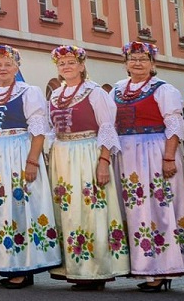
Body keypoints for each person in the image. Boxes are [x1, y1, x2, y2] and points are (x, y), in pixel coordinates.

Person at [0, 45, 60, 288]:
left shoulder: (29, 92)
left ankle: (23, 266)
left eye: (8, 64)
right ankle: (4, 263)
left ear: (17, 67)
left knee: (21, 207)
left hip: (20, 150)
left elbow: (38, 129)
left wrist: (32, 161)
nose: (3, 68)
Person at [46, 45, 129, 290]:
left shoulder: (95, 92)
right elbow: (52, 130)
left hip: (88, 152)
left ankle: (96, 270)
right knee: (69, 212)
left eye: (71, 62)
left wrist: (103, 162)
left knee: (91, 210)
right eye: (62, 64)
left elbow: (106, 127)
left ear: (82, 66)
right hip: (63, 155)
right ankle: (74, 268)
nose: (66, 67)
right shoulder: (55, 94)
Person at [112, 41, 184, 291]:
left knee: (159, 207)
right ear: (125, 63)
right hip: (126, 154)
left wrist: (169, 156)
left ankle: (163, 268)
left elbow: (174, 125)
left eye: (143, 59)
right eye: (132, 59)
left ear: (152, 63)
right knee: (135, 210)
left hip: (154, 150)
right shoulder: (116, 90)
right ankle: (142, 266)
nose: (137, 63)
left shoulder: (163, 89)